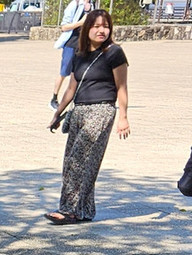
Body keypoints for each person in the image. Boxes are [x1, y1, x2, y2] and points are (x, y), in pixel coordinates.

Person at [46, 8, 129, 224]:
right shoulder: (79, 54)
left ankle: (68, 211)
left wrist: (123, 117)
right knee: (78, 161)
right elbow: (71, 89)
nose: (102, 30)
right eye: (97, 26)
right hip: (79, 111)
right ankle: (85, 210)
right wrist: (57, 114)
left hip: (102, 110)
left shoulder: (114, 53)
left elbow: (122, 87)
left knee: (78, 159)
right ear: (87, 29)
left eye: (106, 26)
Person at [51, 0, 91, 110]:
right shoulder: (75, 4)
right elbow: (64, 27)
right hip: (71, 44)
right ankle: (54, 98)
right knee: (64, 72)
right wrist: (80, 23)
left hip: (84, 45)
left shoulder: (92, 5)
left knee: (81, 73)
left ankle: (78, 99)